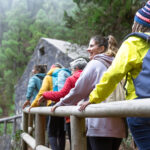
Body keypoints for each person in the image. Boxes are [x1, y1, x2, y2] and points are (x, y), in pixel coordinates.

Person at [79, 1, 150, 150]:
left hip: (140, 109)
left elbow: (113, 75)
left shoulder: (134, 43)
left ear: (139, 24)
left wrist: (94, 98)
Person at [51, 35, 127, 150]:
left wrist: (61, 103)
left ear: (101, 49)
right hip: (119, 124)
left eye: (91, 46)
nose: (88, 49)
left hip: (99, 124)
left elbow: (78, 91)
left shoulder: (95, 64)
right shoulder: (117, 63)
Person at [37, 58, 88, 148]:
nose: (71, 72)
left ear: (76, 68)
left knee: (75, 144)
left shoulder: (71, 79)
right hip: (90, 115)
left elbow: (61, 94)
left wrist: (45, 95)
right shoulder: (90, 76)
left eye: (72, 70)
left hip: (72, 116)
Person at [25, 63, 71, 150]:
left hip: (52, 104)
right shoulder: (64, 75)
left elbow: (42, 92)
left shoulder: (49, 77)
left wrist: (33, 104)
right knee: (61, 130)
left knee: (51, 131)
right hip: (63, 104)